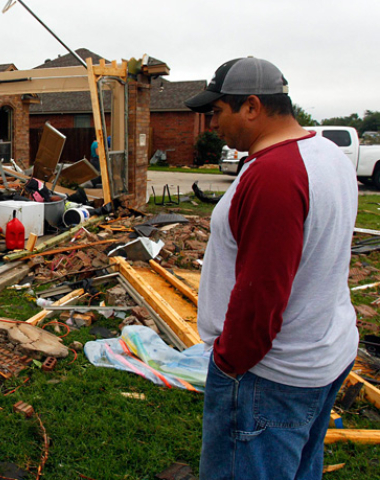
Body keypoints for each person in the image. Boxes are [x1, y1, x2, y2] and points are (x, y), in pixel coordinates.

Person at [185, 57, 358, 480]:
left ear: (251, 106)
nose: (212, 125)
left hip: (269, 375)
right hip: (323, 353)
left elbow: (262, 293)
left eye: (217, 111)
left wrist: (228, 363)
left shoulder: (275, 175)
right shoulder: (326, 154)